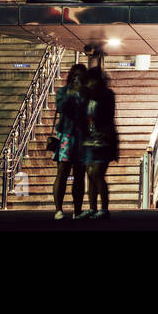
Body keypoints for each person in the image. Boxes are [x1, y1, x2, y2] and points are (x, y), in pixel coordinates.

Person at [81, 68, 119, 220]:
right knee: (90, 175)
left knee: (98, 173)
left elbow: (106, 115)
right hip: (89, 140)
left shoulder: (107, 95)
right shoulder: (86, 96)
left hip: (103, 139)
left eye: (92, 80)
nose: (90, 83)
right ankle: (92, 208)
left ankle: (104, 208)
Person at [51, 64, 88, 220]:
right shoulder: (63, 92)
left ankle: (77, 210)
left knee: (79, 175)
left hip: (82, 137)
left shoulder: (87, 93)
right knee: (62, 172)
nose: (76, 79)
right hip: (66, 135)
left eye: (80, 76)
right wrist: (71, 93)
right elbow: (61, 107)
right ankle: (58, 209)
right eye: (74, 75)